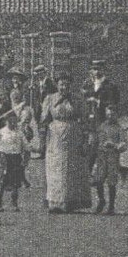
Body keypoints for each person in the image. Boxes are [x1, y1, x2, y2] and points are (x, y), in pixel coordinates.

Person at [42, 72, 93, 214]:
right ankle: (55, 202)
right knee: (56, 168)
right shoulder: (50, 99)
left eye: (67, 84)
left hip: (73, 136)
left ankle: (71, 202)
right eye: (61, 84)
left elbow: (84, 120)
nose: (64, 87)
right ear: (57, 85)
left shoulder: (77, 99)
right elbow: (44, 119)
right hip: (55, 138)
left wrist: (84, 139)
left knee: (71, 169)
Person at [90, 105, 128, 214]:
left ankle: (111, 206)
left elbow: (124, 145)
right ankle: (101, 200)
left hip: (113, 157)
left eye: (112, 115)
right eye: (108, 114)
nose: (110, 117)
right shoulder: (102, 127)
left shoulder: (119, 129)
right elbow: (96, 140)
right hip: (101, 157)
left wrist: (115, 145)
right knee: (98, 180)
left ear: (116, 115)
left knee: (112, 182)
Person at [0, 110, 28, 212]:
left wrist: (26, 159)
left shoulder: (19, 133)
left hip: (16, 158)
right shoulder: (2, 131)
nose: (12, 124)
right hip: (5, 158)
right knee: (3, 181)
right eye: (10, 121)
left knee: (15, 182)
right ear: (6, 121)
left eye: (14, 121)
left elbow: (26, 146)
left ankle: (14, 204)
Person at [82, 58, 120, 123]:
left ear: (104, 70)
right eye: (94, 69)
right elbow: (82, 98)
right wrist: (89, 100)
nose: (97, 72)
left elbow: (114, 102)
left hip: (104, 119)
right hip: (88, 118)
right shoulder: (87, 84)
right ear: (91, 70)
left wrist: (99, 101)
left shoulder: (110, 85)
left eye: (99, 69)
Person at [30, 65, 55, 158]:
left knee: (46, 129)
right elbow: (36, 97)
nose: (39, 76)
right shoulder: (37, 83)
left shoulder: (49, 83)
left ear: (44, 73)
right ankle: (42, 150)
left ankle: (44, 150)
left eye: (40, 73)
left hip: (47, 110)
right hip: (39, 110)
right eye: (37, 74)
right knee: (41, 129)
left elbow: (51, 95)